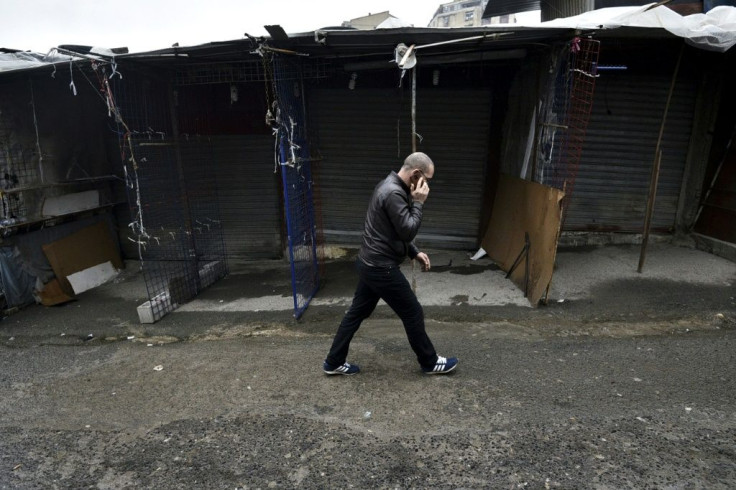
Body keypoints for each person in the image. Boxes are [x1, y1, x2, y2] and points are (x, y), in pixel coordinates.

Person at [323, 152, 458, 376]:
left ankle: (333, 361)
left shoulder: (389, 185)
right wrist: (418, 203)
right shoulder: (394, 193)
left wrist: (413, 251)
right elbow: (407, 229)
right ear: (416, 174)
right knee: (412, 311)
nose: (427, 186)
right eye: (427, 180)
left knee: (357, 313)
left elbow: (392, 231)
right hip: (380, 267)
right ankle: (430, 362)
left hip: (369, 263)